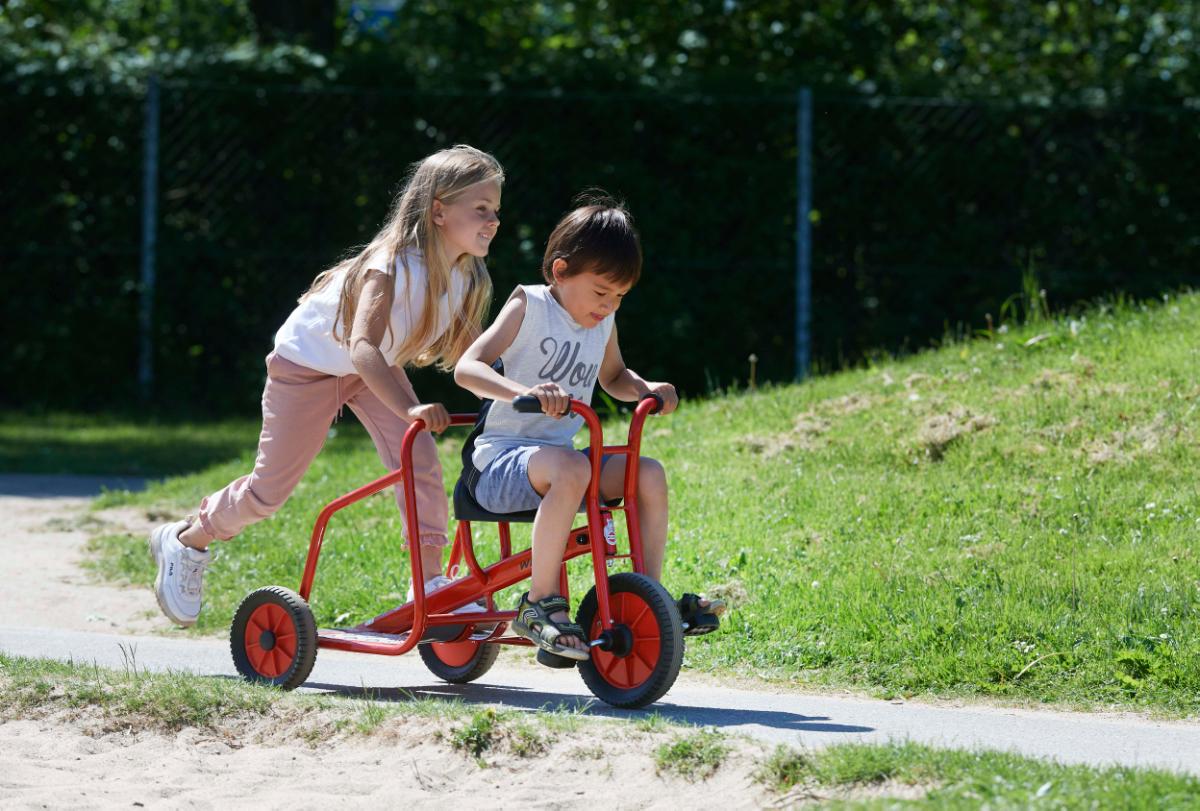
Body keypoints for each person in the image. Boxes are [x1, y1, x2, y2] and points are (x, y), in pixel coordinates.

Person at [148, 144, 503, 628]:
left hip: (369, 369)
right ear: (438, 210)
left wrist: (510, 398)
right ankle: (189, 539)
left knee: (416, 457)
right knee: (267, 493)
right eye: (480, 209)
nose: (493, 220)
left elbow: (469, 357)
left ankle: (429, 581)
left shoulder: (466, 274)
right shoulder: (391, 263)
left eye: (495, 211)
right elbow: (363, 347)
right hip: (308, 367)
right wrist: (411, 410)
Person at [453, 194, 723, 662]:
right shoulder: (529, 305)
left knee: (648, 472)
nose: (608, 305)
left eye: (619, 296)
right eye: (601, 292)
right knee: (571, 468)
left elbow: (614, 377)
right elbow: (466, 369)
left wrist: (647, 389)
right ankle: (539, 604)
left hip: (561, 464)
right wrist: (524, 389)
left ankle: (647, 596)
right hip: (496, 463)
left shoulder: (603, 323)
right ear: (560, 272)